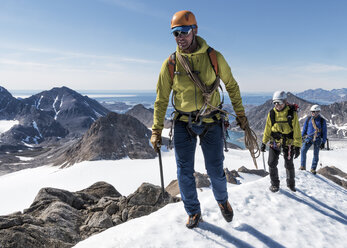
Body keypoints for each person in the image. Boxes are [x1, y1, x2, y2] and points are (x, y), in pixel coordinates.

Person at [150, 10, 248, 229]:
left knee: (215, 169)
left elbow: (231, 85)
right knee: (184, 171)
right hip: (183, 122)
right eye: (175, 34)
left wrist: (240, 114)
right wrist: (156, 130)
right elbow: (161, 98)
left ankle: (222, 201)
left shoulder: (214, 57)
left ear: (194, 30)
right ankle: (193, 212)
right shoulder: (171, 64)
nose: (179, 37)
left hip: (211, 120)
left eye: (183, 31)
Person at [260, 91, 302, 192]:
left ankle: (291, 184)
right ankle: (275, 184)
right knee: (271, 163)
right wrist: (263, 142)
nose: (277, 105)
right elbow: (267, 129)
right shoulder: (272, 113)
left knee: (288, 164)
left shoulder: (291, 113)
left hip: (288, 142)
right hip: (275, 141)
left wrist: (297, 146)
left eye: (279, 102)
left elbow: (296, 129)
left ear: (285, 102)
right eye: (275, 103)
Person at [300, 104, 327, 174]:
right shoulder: (308, 119)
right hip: (308, 138)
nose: (312, 113)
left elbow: (324, 132)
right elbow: (304, 129)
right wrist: (301, 137)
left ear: (317, 112)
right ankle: (302, 166)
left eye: (313, 112)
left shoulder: (322, 121)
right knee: (303, 150)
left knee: (316, 154)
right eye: (311, 112)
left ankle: (313, 168)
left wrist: (323, 142)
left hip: (317, 139)